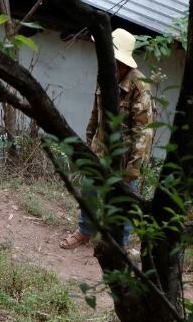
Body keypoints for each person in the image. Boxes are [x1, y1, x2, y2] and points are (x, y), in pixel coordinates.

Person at [60, 28, 153, 250]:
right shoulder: (105, 76)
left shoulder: (140, 88)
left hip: (125, 159)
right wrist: (89, 142)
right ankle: (85, 230)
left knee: (122, 204)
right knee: (90, 188)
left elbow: (144, 133)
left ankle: (118, 246)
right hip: (100, 150)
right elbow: (96, 114)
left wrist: (133, 170)